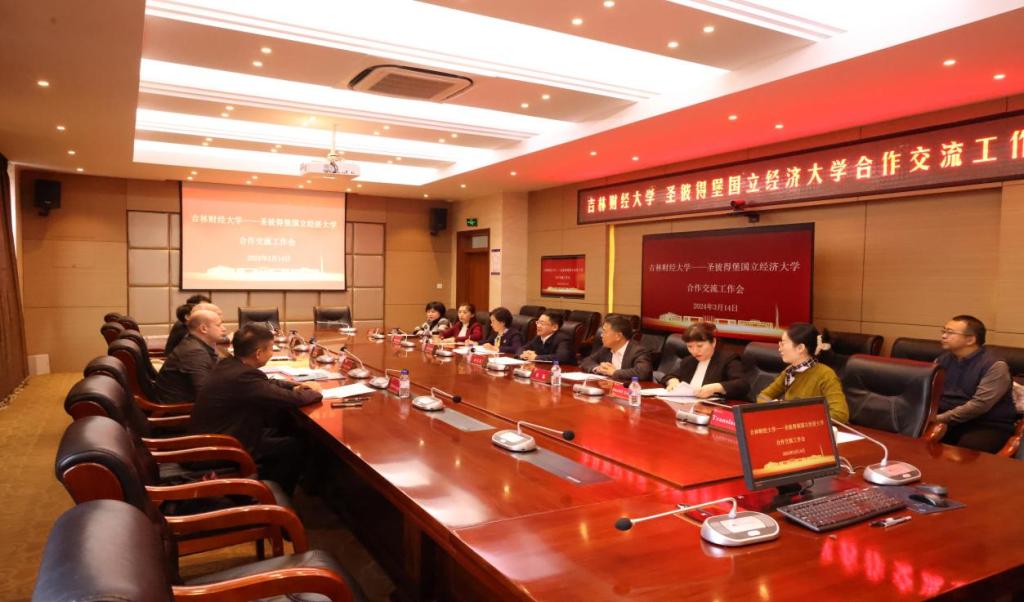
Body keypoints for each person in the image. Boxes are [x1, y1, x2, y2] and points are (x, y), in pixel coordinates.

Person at [190, 323, 323, 494]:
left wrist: (294, 386)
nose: (272, 352)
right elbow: (291, 399)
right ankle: (269, 495)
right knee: (293, 447)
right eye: (271, 349)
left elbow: (265, 384)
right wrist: (314, 392)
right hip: (220, 450)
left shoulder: (229, 364)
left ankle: (267, 486)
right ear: (259, 353)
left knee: (283, 429)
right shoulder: (243, 376)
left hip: (217, 438)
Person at [934, 315, 1016, 453]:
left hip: (986, 424)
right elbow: (930, 391)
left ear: (970, 340)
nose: (943, 336)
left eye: (950, 333)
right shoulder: (942, 359)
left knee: (966, 451)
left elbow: (980, 405)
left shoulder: (995, 365)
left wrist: (938, 419)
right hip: (947, 418)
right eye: (943, 331)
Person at [757, 323, 849, 423]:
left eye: (783, 344)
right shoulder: (790, 371)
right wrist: (773, 405)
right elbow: (763, 396)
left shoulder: (826, 375)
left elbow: (840, 415)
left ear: (800, 348)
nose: (779, 348)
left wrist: (800, 415)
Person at [660, 322, 748, 399]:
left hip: (717, 408)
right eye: (690, 346)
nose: (695, 351)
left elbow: (742, 384)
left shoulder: (728, 359)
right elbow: (669, 376)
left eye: (700, 346)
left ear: (713, 342)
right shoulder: (689, 361)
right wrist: (672, 381)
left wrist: (716, 387)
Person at [155, 309, 226, 403]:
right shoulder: (195, 352)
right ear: (203, 328)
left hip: (185, 400)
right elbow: (205, 394)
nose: (224, 329)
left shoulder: (192, 343)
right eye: (219, 325)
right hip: (179, 408)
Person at [579, 315, 653, 383]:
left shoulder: (638, 351)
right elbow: (586, 361)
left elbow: (643, 372)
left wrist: (614, 372)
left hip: (633, 390)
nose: (601, 335)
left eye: (605, 332)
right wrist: (598, 368)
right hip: (610, 387)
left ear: (618, 336)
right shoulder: (606, 349)